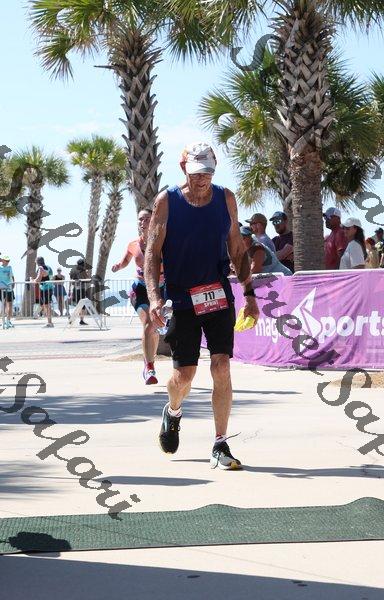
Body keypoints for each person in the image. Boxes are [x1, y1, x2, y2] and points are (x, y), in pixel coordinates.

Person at [145, 141, 259, 470]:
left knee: (221, 366)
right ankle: (173, 411)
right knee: (184, 376)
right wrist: (154, 298)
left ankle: (220, 443)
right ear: (184, 169)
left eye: (208, 172)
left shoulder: (226, 198)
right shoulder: (167, 201)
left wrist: (249, 294)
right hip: (182, 298)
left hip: (218, 294)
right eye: (196, 173)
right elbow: (153, 253)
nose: (202, 179)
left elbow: (237, 248)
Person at [112, 209, 165, 385]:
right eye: (140, 219)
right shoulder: (133, 245)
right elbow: (126, 261)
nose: (143, 222)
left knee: (155, 327)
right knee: (149, 323)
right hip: (140, 288)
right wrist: (118, 266)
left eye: (147, 219)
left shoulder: (164, 241)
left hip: (160, 289)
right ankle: (149, 367)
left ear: (154, 219)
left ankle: (149, 359)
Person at [32, 257, 54, 327]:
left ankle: (49, 322)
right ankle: (38, 315)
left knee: (47, 305)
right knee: (44, 305)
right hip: (50, 287)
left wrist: (32, 280)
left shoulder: (40, 268)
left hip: (45, 289)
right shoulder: (49, 267)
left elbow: (38, 279)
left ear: (37, 262)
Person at [69, 259, 90, 326]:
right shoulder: (82, 270)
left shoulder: (73, 270)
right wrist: (87, 273)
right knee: (82, 305)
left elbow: (71, 280)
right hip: (81, 289)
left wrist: (69, 290)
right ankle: (80, 320)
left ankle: (74, 318)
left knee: (78, 305)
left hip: (75, 289)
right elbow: (87, 279)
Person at [0, 255, 15, 329]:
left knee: (10, 305)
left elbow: (12, 276)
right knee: (3, 305)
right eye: (6, 260)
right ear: (2, 260)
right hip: (1, 288)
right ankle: (3, 321)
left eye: (8, 260)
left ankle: (8, 321)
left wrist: (13, 284)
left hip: (9, 288)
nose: (7, 262)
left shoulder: (10, 267)